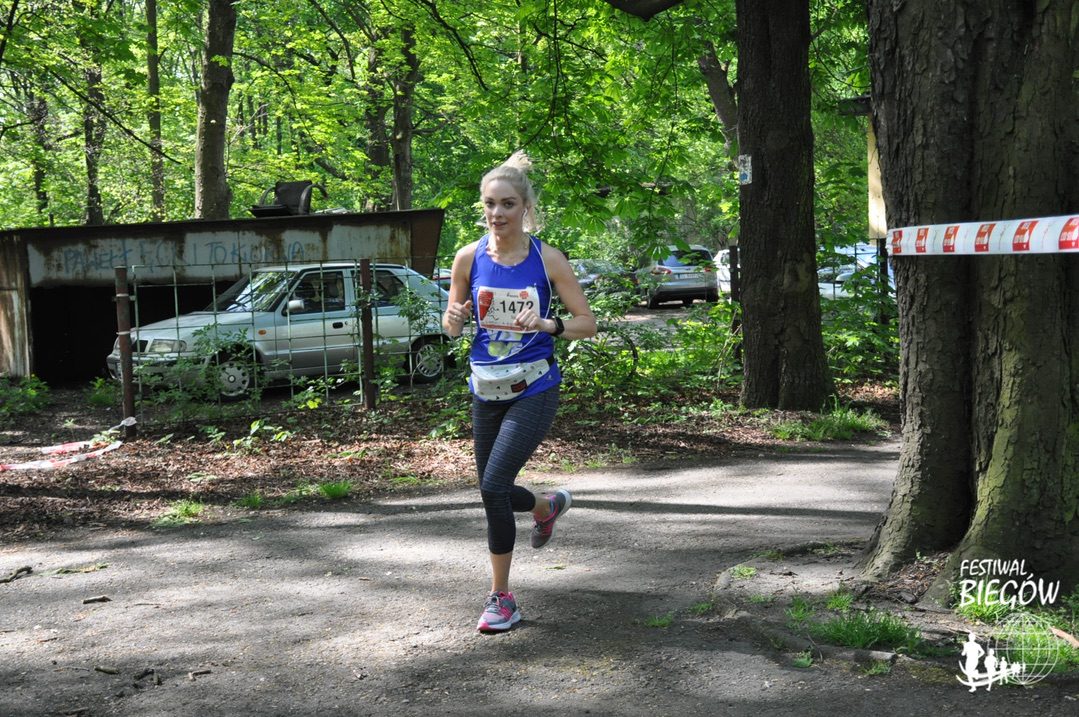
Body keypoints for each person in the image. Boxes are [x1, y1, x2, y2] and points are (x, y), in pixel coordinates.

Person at [442, 151, 597, 633]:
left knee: (493, 488)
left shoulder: (547, 259)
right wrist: (452, 319)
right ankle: (546, 507)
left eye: (508, 204)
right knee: (493, 490)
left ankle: (501, 598)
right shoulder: (467, 257)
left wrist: (549, 324)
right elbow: (452, 324)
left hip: (534, 385)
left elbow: (586, 323)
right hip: (485, 387)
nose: (498, 213)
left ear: (525, 207)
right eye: (490, 204)